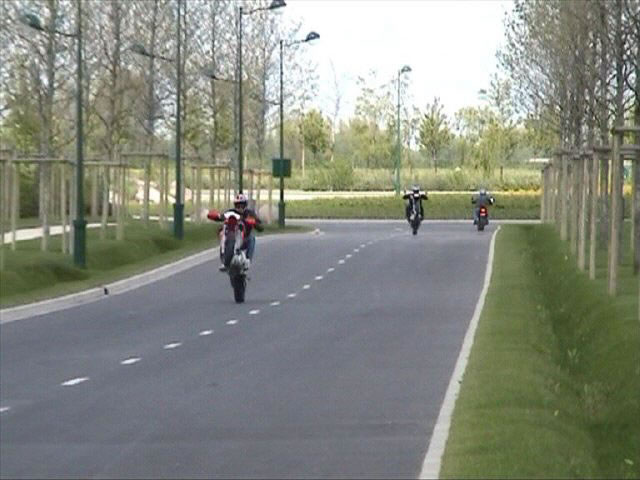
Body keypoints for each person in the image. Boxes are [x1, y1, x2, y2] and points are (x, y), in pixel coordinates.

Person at [208, 193, 264, 272]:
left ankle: (248, 260)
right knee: (221, 233)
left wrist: (254, 222)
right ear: (235, 205)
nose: (240, 208)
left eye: (242, 205)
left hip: (244, 239)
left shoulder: (249, 213)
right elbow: (220, 216)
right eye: (238, 205)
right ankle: (224, 259)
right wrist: (214, 215)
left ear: (245, 205)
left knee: (252, 238)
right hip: (230, 237)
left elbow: (260, 226)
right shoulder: (231, 212)